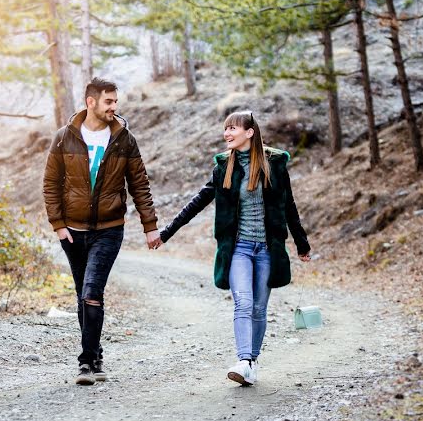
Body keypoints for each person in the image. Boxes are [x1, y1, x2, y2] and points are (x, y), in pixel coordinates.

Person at [154, 110, 311, 386]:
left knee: (260, 309)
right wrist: (166, 233)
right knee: (243, 303)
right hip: (239, 248)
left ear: (250, 132)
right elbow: (197, 202)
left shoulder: (274, 166)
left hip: (267, 249)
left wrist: (301, 243)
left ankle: (252, 361)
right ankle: (244, 360)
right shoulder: (223, 168)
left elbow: (289, 207)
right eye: (225, 129)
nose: (227, 134)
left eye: (233, 129)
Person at [43, 77, 161, 385]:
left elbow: (140, 185)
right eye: (108, 102)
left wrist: (150, 226)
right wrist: (58, 225)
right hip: (72, 230)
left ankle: (85, 363)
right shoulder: (64, 137)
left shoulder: (124, 139)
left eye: (115, 102)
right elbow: (51, 184)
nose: (114, 108)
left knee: (92, 291)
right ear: (91, 102)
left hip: (109, 229)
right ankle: (95, 355)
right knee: (83, 294)